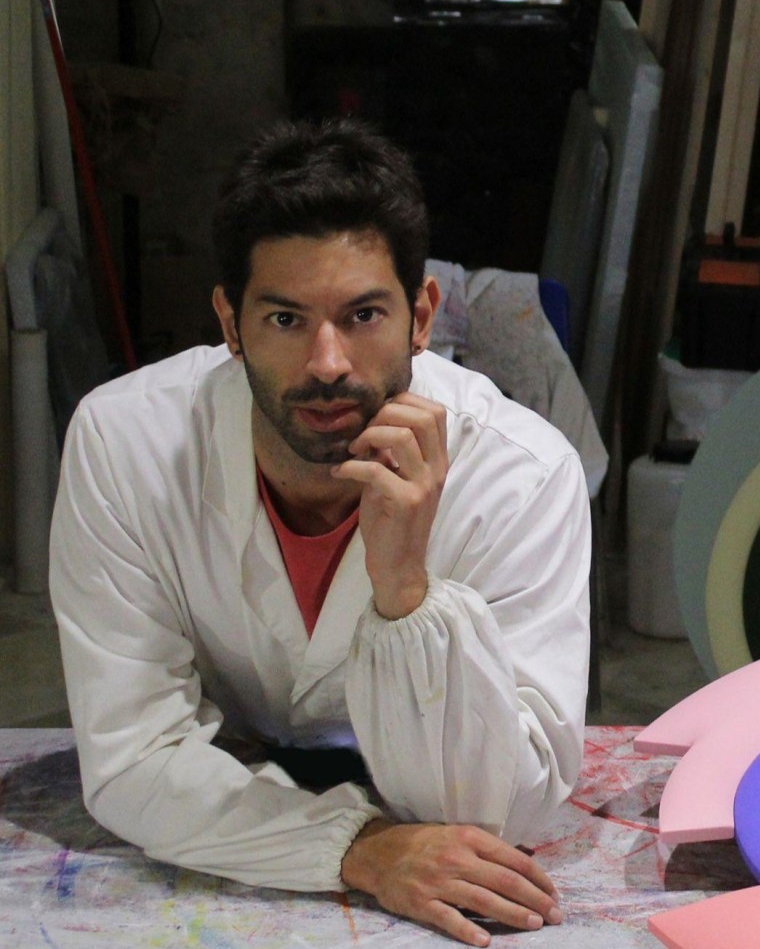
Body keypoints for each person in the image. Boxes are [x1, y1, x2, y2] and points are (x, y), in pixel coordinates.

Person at [49, 117, 591, 948]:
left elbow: (496, 813)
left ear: (422, 316)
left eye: (364, 314)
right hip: (243, 773)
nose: (328, 362)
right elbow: (132, 759)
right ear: (230, 323)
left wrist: (406, 591)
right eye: (285, 319)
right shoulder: (126, 445)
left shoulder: (522, 475)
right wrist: (359, 847)